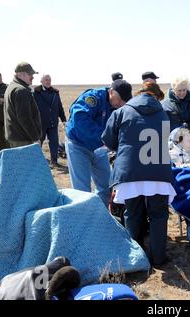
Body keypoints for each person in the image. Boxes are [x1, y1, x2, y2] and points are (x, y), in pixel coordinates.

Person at [101, 82, 174, 267]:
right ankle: (159, 258)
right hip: (158, 169)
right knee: (158, 214)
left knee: (132, 213)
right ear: (156, 97)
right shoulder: (164, 113)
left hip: (130, 170)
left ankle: (137, 258)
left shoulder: (122, 111)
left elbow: (108, 139)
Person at [65, 79, 132, 206]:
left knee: (106, 186)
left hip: (100, 148)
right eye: (119, 100)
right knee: (82, 191)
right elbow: (79, 120)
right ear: (111, 92)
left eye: (124, 102)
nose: (121, 104)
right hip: (78, 145)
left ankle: (100, 216)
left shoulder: (119, 105)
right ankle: (83, 220)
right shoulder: (93, 98)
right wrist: (104, 138)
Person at [4, 62, 42, 148]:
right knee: (28, 161)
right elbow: (24, 118)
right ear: (21, 74)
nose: (32, 77)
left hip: (16, 137)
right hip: (23, 140)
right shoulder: (21, 90)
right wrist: (35, 138)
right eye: (30, 74)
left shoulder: (12, 87)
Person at [33, 74, 67, 167]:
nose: (48, 81)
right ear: (41, 81)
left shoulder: (55, 92)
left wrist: (63, 120)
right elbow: (32, 109)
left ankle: (54, 161)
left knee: (54, 143)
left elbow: (59, 107)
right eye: (46, 80)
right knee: (38, 143)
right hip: (40, 124)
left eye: (49, 80)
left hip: (53, 123)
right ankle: (36, 162)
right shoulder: (36, 92)